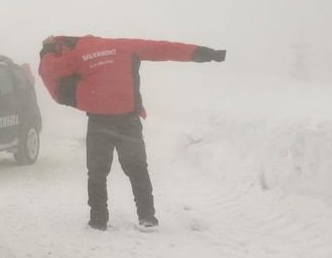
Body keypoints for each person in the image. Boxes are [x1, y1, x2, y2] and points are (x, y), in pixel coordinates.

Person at [38, 35, 226, 231]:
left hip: (99, 122)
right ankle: (147, 217)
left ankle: (98, 220)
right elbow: (164, 48)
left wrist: (48, 50)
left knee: (97, 173)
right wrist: (205, 53)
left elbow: (50, 70)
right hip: (128, 120)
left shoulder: (78, 55)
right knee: (137, 170)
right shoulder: (124, 46)